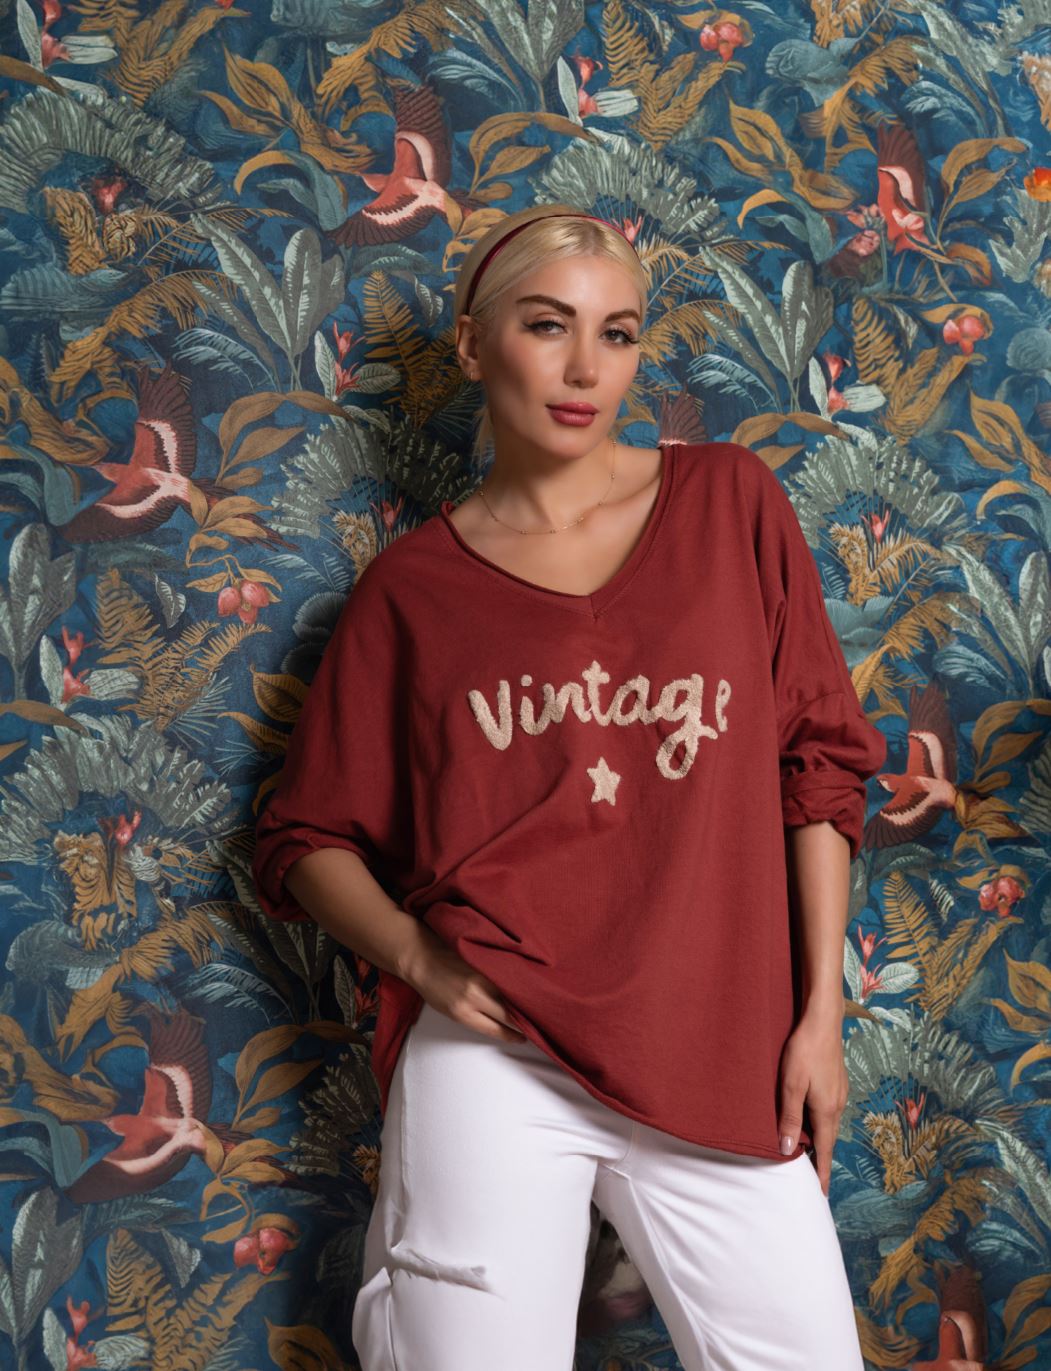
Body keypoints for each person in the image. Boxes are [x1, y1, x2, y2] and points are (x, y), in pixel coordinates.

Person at [251, 203, 887, 1370]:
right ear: (472, 345)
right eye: (548, 326)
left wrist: (819, 1018)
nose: (587, 368)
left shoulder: (730, 504)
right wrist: (424, 963)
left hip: (715, 1041)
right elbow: (303, 838)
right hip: (494, 1058)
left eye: (618, 333)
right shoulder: (411, 593)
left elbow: (819, 764)